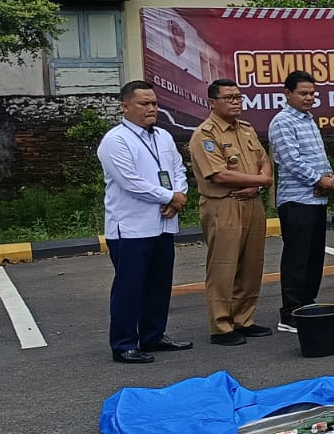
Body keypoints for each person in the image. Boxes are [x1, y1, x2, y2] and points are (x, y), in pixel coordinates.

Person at [97, 80, 193, 364]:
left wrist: (179, 195)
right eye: (144, 103)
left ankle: (154, 335)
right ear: (125, 106)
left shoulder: (162, 136)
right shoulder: (115, 140)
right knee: (130, 286)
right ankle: (124, 343)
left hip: (162, 223)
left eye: (154, 103)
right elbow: (130, 182)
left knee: (159, 284)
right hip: (131, 227)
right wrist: (170, 197)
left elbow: (178, 169)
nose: (151, 108)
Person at [188, 79, 273, 347]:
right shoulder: (206, 134)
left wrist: (259, 183)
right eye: (229, 97)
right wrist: (258, 182)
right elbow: (219, 174)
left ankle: (243, 319)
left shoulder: (246, 130)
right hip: (223, 204)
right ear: (212, 103)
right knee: (224, 266)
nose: (236, 101)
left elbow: (264, 162)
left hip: (251, 202)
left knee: (252, 263)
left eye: (238, 97)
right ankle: (221, 326)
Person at [269, 70, 334, 333]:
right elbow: (291, 161)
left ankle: (307, 305)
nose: (309, 98)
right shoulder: (283, 122)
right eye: (303, 93)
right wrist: (318, 180)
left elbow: (319, 156)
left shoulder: (308, 119)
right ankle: (290, 312)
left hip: (316, 200)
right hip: (296, 200)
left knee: (314, 257)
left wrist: (328, 177)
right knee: (297, 258)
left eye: (312, 93)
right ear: (288, 94)